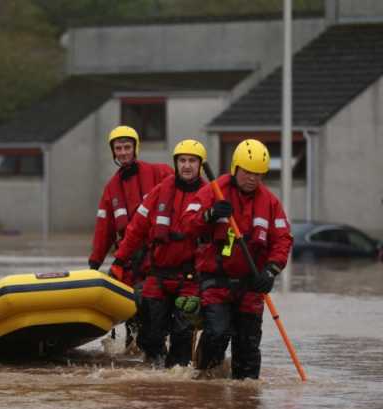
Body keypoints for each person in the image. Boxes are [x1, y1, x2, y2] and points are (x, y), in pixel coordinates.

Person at [180, 139, 293, 379]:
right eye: (248, 172)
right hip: (216, 280)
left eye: (259, 174)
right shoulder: (215, 190)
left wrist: (271, 271)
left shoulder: (270, 203)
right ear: (236, 168)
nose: (253, 178)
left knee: (248, 348)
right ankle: (203, 381)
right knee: (218, 333)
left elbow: (283, 240)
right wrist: (210, 214)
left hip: (251, 284)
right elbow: (187, 223)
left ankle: (246, 404)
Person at [110, 139, 207, 368]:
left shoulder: (209, 196)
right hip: (159, 274)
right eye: (182, 160)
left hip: (190, 278)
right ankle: (157, 377)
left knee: (182, 333)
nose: (186, 166)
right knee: (149, 334)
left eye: (192, 161)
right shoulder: (161, 190)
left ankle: (178, 378)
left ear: (200, 165)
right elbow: (136, 229)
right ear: (175, 163)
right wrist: (119, 260)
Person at [88, 125, 172, 348]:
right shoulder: (111, 188)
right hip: (128, 264)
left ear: (136, 148)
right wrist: (94, 265)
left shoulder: (159, 172)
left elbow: (188, 186)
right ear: (113, 152)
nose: (123, 152)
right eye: (118, 148)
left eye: (127, 147)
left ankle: (157, 355)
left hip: (157, 260)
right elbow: (103, 230)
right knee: (133, 320)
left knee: (154, 313)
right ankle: (136, 360)